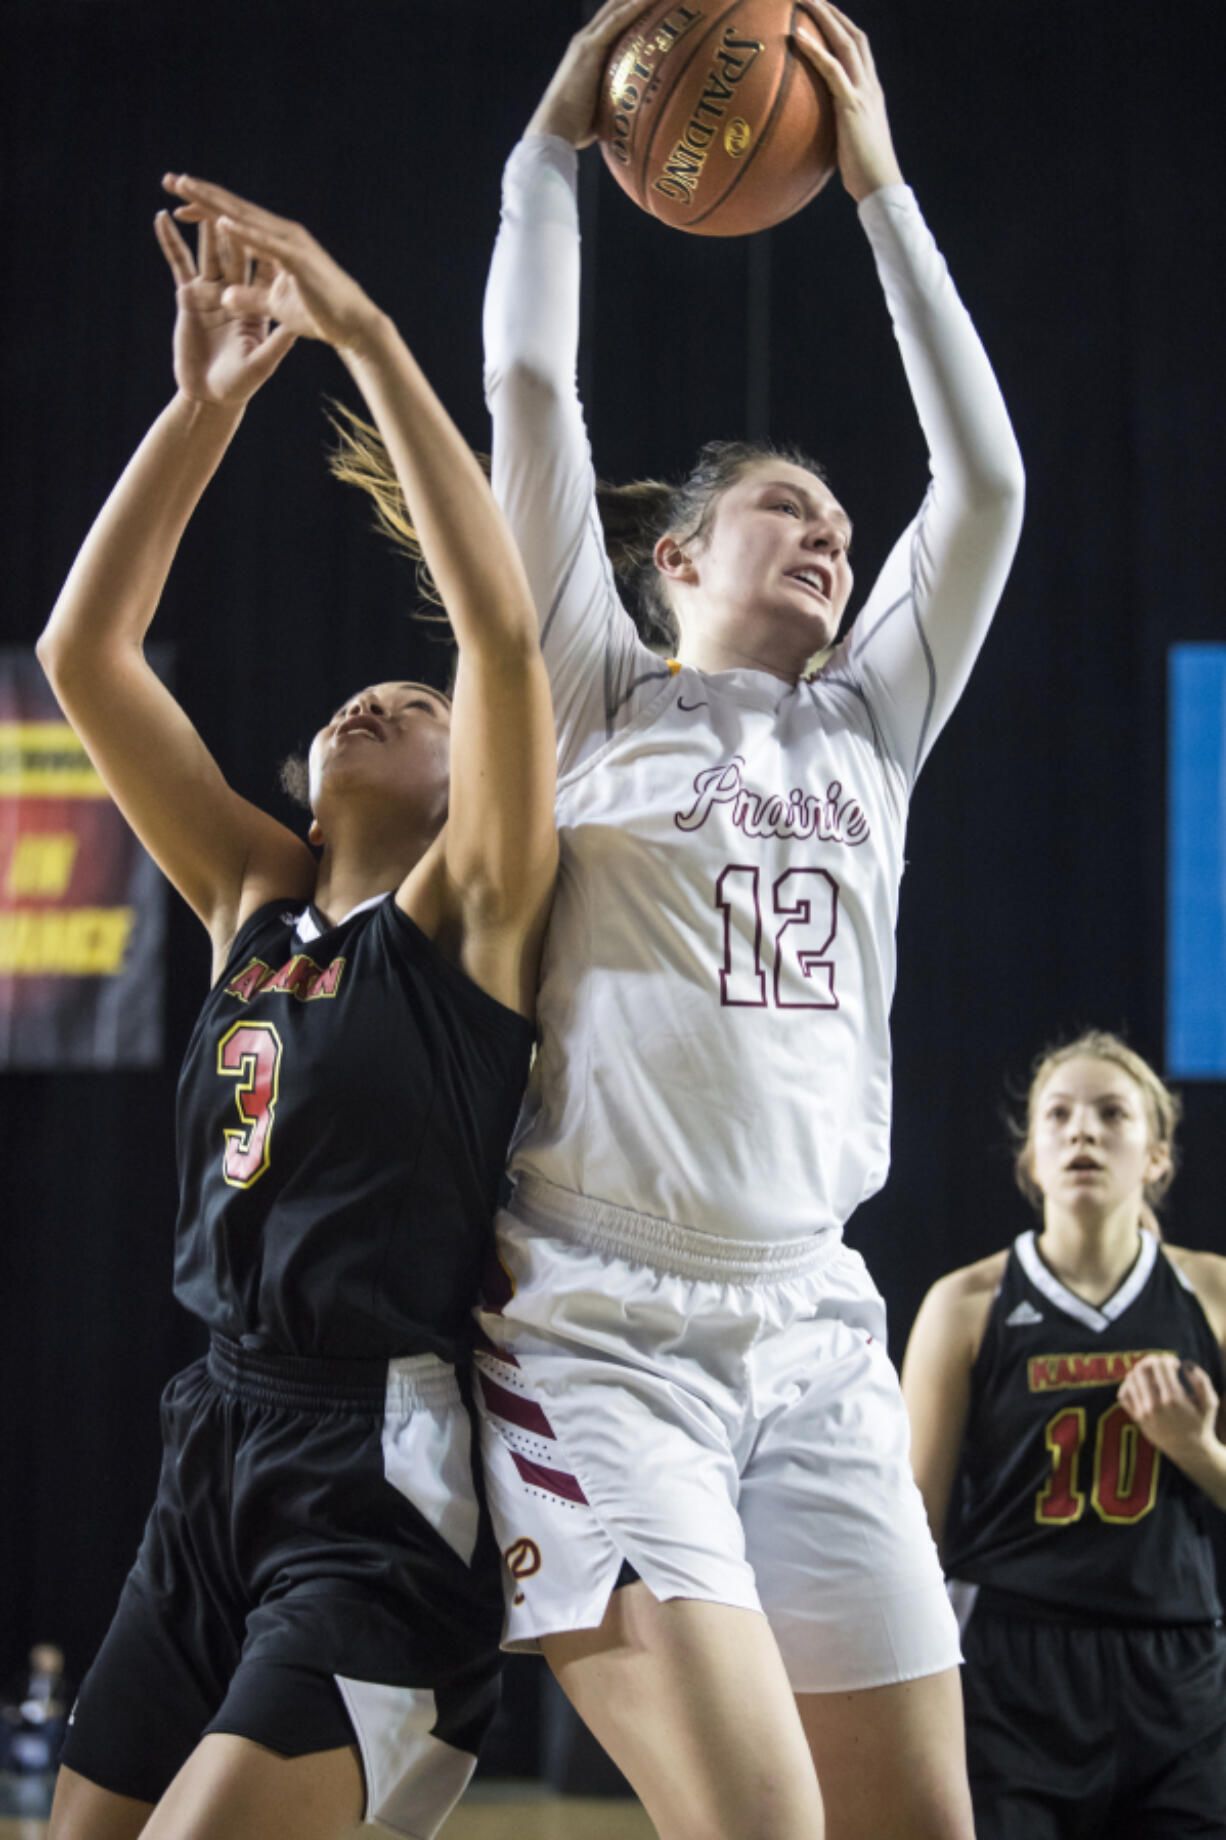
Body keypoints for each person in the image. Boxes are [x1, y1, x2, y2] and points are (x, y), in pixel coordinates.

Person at [456, 0, 1024, 1832]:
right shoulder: (600, 695)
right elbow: (531, 396)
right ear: (672, 561)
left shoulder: (871, 730)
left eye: (847, 537)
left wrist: (881, 197)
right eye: (789, 515)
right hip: (602, 1323)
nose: (836, 545)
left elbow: (988, 485)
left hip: (810, 1325)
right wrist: (547, 161)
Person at [36, 178, 556, 1840]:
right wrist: (201, 411)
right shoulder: (248, 900)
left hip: (377, 1483)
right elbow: (85, 651)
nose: (385, 690)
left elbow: (498, 630)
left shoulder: (472, 910)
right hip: (213, 1446)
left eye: (418, 704)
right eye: (368, 692)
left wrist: (368, 337)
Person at [902, 1032, 1226, 1838]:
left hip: (1177, 1666)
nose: (1083, 1131)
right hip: (1014, 1668)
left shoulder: (1211, 1293)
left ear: (1156, 1156)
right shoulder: (965, 1304)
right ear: (1032, 1159)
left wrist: (1198, 1450)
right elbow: (916, 1530)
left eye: (1112, 1114)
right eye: (1059, 1115)